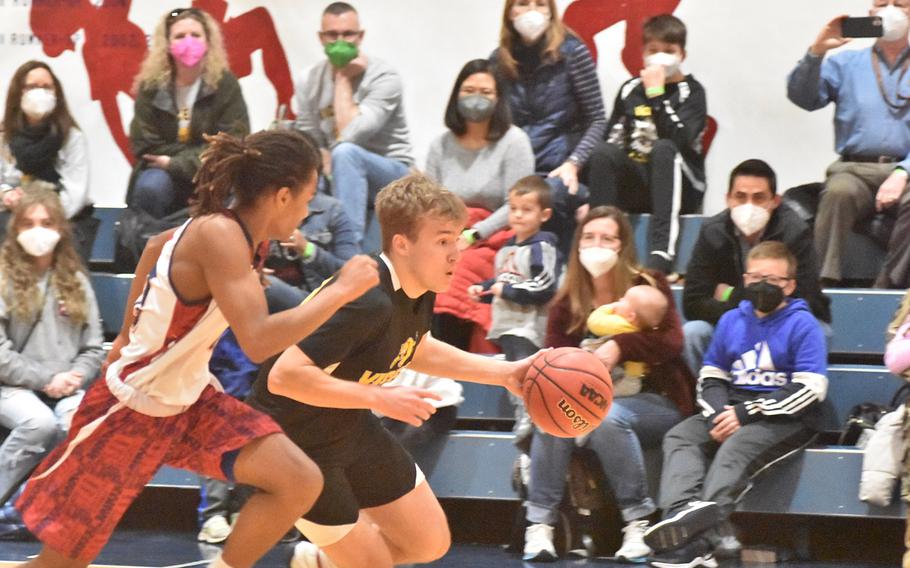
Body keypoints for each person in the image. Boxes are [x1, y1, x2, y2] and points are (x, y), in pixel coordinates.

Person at [15, 129, 379, 568]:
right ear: (282, 196)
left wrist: (131, 331)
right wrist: (338, 290)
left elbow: (154, 247)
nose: (308, 210)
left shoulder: (247, 236)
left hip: (188, 401)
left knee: (298, 480)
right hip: (131, 408)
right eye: (307, 198)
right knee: (59, 565)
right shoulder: (220, 235)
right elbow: (260, 341)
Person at [245, 173, 535, 568]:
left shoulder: (417, 286)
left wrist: (504, 373)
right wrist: (378, 396)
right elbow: (284, 376)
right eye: (443, 240)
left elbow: (413, 346)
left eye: (457, 239)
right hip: (291, 445)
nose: (456, 253)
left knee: (429, 543)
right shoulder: (366, 300)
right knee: (374, 564)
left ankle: (318, 561)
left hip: (347, 426)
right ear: (402, 244)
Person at [523, 206, 694, 563]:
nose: (597, 244)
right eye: (589, 237)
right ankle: (539, 525)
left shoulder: (649, 284)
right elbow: (551, 361)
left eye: (607, 238)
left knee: (604, 417)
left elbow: (673, 342)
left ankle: (638, 522)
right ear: (578, 244)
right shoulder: (566, 299)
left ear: (623, 245)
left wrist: (622, 345)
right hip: (587, 398)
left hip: (654, 401)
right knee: (550, 415)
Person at [643, 241, 828, 568]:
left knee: (735, 449)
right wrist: (717, 413)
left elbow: (811, 389)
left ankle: (696, 542)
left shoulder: (804, 324)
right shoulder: (731, 320)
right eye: (756, 278)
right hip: (731, 410)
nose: (763, 287)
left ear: (790, 285)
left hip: (786, 418)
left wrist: (744, 414)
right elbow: (711, 375)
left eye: (772, 280)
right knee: (680, 436)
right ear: (744, 279)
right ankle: (681, 516)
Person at [0, 189, 104, 539]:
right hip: (12, 385)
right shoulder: (2, 276)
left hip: (67, 384)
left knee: (77, 424)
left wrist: (77, 376)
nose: (37, 230)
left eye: (46, 223)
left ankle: (37, 512)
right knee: (38, 424)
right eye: (28, 223)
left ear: (60, 229)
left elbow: (93, 348)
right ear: (15, 229)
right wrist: (46, 380)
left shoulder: (76, 281)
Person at [787, 1, 910, 288]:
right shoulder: (845, 64)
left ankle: (888, 285)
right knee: (838, 193)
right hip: (855, 167)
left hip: (905, 170)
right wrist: (817, 51)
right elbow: (803, 98)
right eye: (882, 4)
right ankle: (823, 285)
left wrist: (902, 172)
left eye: (900, 4)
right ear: (870, 14)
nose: (890, 10)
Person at [681, 159, 831, 376]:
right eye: (740, 197)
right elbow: (693, 303)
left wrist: (730, 293)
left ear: (775, 201)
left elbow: (803, 296)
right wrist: (745, 312)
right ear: (728, 199)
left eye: (759, 198)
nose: (748, 205)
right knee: (693, 332)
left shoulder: (795, 232)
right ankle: (708, 398)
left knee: (819, 332)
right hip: (734, 320)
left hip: (784, 321)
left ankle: (792, 402)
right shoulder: (712, 231)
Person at [426, 58, 535, 350]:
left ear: (499, 99)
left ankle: (449, 362)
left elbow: (518, 204)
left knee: (456, 272)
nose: (476, 98)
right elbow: (429, 201)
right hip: (446, 233)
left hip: (494, 238)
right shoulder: (440, 145)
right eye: (469, 90)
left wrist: (474, 234)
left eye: (486, 92)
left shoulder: (514, 142)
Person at [586, 14, 707, 275]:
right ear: (643, 53)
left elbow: (682, 141)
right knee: (603, 153)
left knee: (664, 148)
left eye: (668, 51)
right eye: (653, 50)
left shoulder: (693, 92)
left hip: (682, 184)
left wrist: (656, 94)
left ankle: (661, 254)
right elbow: (612, 138)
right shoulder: (630, 89)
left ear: (682, 54)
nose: (660, 57)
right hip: (640, 184)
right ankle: (599, 244)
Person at [294, 1, 414, 251]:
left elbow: (351, 135)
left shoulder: (384, 77)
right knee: (305, 164)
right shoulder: (309, 79)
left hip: (391, 174)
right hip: (341, 172)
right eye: (332, 35)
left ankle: (347, 249)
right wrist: (320, 157)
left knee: (346, 154)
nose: (340, 41)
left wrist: (342, 78)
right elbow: (309, 136)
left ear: (360, 36)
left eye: (348, 34)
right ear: (321, 37)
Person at [492, 0, 607, 250]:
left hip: (560, 168)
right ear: (510, 13)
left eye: (541, 4)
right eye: (523, 4)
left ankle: (554, 278)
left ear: (551, 12)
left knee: (547, 196)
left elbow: (597, 118)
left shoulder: (572, 52)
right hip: (517, 168)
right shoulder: (499, 60)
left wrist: (574, 163)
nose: (532, 11)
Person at [128, 6, 249, 219]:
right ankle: (148, 247)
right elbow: (145, 144)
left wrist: (173, 162)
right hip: (163, 174)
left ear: (208, 42)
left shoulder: (225, 84)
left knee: (234, 194)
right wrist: (197, 154)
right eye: (180, 36)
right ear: (167, 44)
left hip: (211, 173)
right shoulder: (151, 86)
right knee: (149, 188)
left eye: (195, 35)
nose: (188, 41)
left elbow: (231, 144)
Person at [467, 175, 559, 446]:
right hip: (508, 326)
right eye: (514, 208)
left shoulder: (543, 245)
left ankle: (531, 415)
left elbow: (545, 286)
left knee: (523, 373)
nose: (518, 215)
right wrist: (483, 290)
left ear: (545, 214)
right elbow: (504, 280)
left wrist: (504, 291)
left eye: (526, 209)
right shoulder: (506, 248)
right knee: (511, 373)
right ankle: (525, 414)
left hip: (528, 326)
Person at [0, 61, 95, 261]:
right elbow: (4, 180)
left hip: (61, 216)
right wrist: (7, 194)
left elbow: (75, 195)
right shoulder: (4, 136)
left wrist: (42, 218)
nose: (40, 93)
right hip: (14, 215)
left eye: (46, 87)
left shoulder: (71, 137)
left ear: (56, 93)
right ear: (19, 92)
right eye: (32, 87)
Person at [263, 190, 361, 312]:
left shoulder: (332, 209)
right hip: (273, 300)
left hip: (318, 299)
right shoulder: (263, 208)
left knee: (264, 286)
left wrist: (308, 250)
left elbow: (352, 274)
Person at [583, 284, 669, 397]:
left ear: (631, 316)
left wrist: (609, 307)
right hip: (625, 377)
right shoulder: (640, 333)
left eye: (624, 299)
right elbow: (635, 372)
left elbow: (594, 322)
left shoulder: (619, 324)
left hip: (599, 367)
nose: (620, 299)